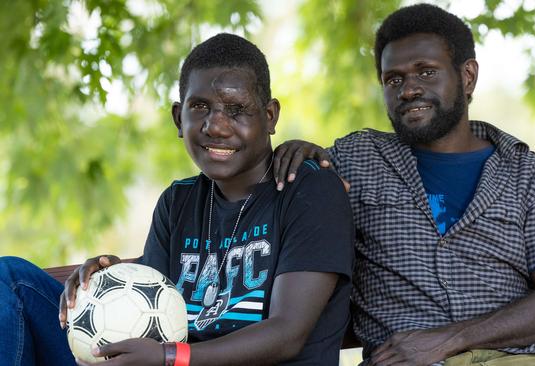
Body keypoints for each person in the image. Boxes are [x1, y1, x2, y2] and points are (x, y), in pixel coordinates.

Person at [273, 4, 535, 366]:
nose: (408, 90)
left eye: (426, 72)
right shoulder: (356, 158)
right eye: (394, 79)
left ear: (467, 76)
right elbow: (286, 199)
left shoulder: (530, 176)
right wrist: (300, 156)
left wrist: (447, 340)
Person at [0, 33, 354, 366]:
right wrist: (105, 284)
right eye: (200, 107)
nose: (215, 126)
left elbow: (288, 334)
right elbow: (147, 310)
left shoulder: (308, 190)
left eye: (236, 109)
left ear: (270, 115)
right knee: (12, 278)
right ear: (178, 118)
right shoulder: (178, 201)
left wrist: (172, 357)